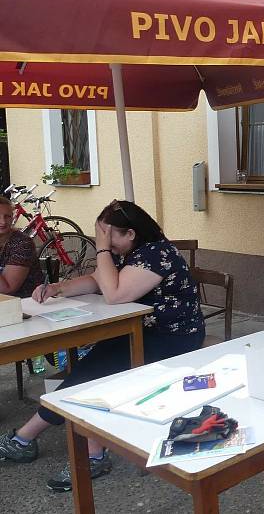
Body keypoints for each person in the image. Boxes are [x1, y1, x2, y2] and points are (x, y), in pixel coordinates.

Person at [0, 200, 205, 492]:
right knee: (88, 372)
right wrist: (58, 288)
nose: (106, 244)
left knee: (92, 376)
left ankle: (31, 440)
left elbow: (115, 295)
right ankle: (73, 448)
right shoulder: (131, 252)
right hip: (140, 330)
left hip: (173, 336)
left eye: (110, 237)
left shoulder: (157, 254)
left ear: (130, 234)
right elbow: (98, 280)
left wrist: (103, 249)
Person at [0, 196, 44, 298]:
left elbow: (7, 289)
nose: (3, 222)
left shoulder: (22, 243)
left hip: (23, 305)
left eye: (7, 216)